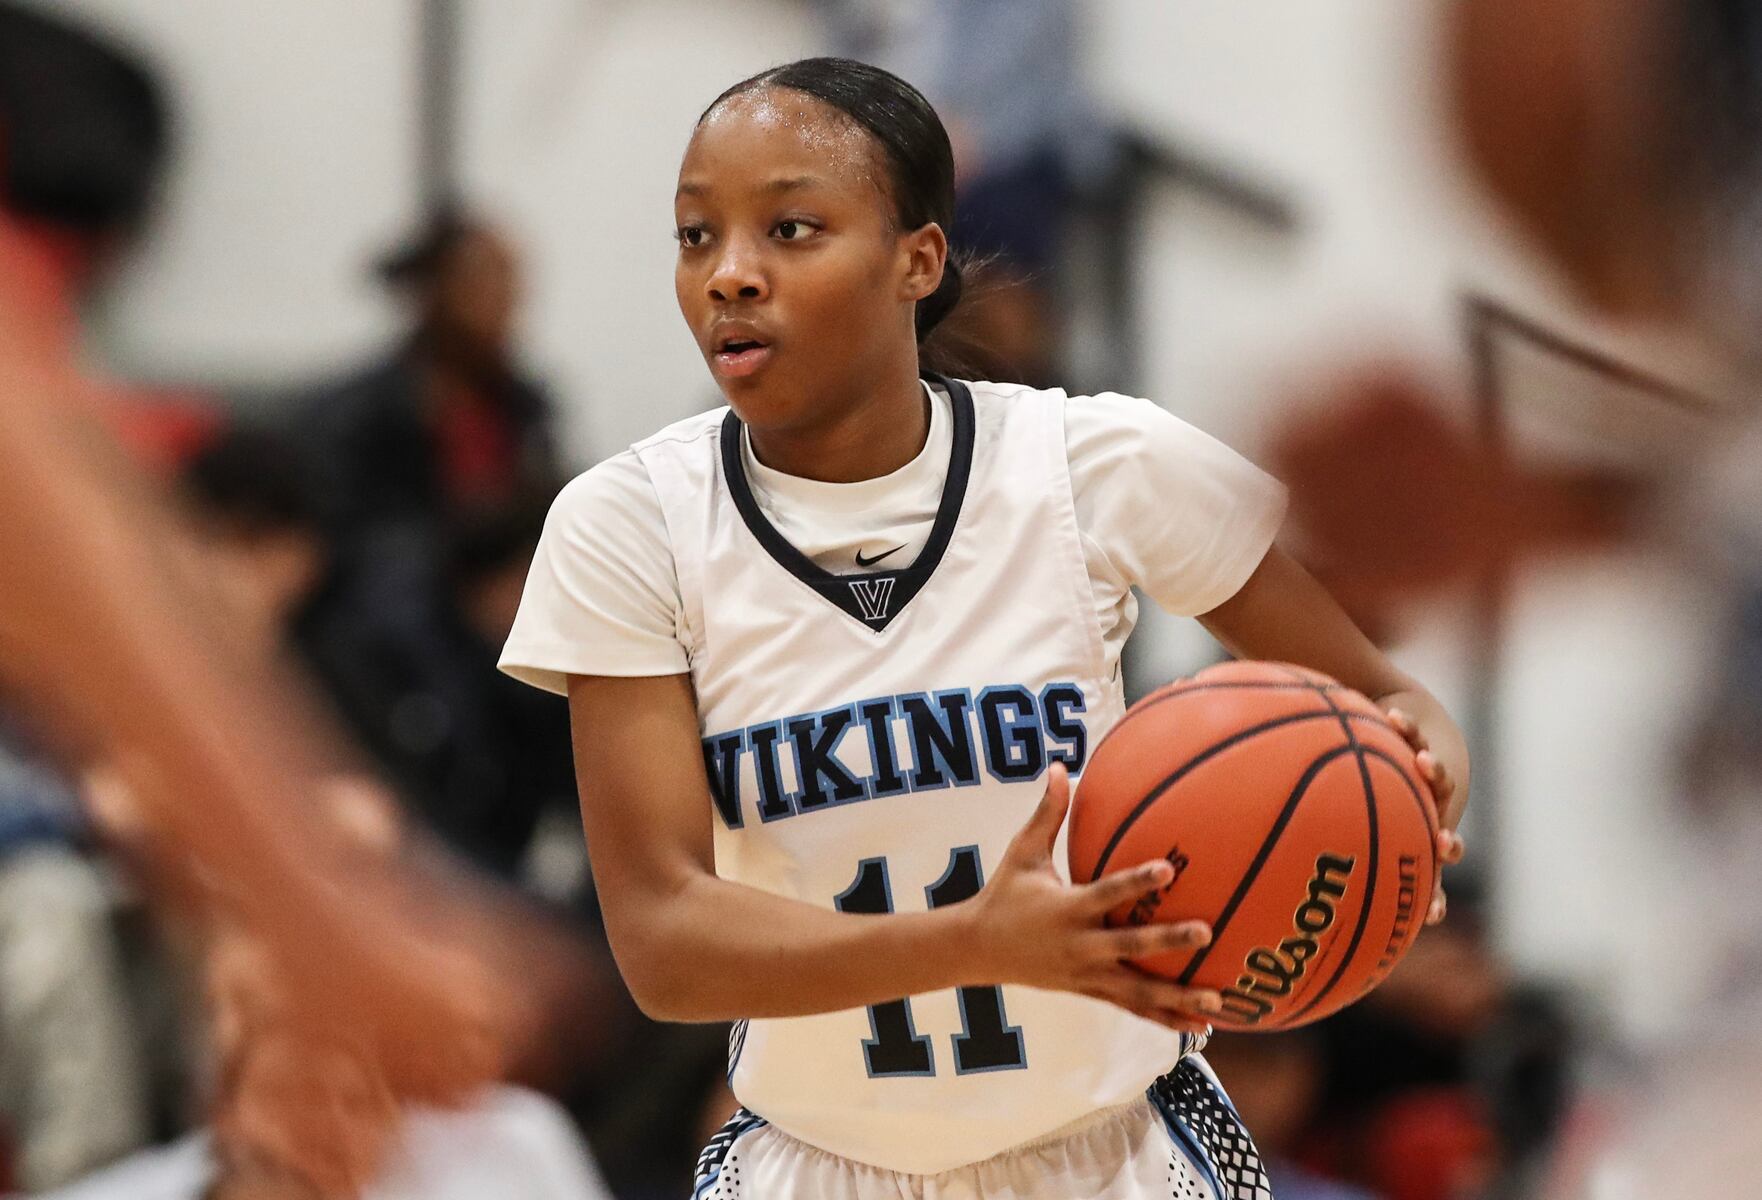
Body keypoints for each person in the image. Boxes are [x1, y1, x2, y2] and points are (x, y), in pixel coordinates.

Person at [499, 58, 1469, 1199]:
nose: (731, 276)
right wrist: (972, 941)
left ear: (917, 258)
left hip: (1111, 1154)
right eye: (695, 237)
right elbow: (664, 943)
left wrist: (1412, 784)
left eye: (792, 229)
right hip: (822, 1166)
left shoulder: (1094, 464)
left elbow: (1391, 701)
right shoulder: (629, 524)